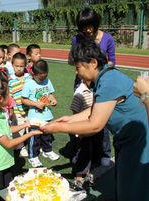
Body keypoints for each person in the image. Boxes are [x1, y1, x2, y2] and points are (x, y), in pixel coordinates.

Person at [41, 41, 149, 201]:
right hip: (128, 141)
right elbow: (97, 109)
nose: (77, 73)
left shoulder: (109, 81)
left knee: (132, 191)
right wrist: (70, 118)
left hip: (137, 144)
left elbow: (95, 125)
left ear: (93, 63)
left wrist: (58, 127)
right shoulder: (106, 75)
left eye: (78, 68)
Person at [0, 69, 42, 200]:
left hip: (5, 162)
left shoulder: (1, 113)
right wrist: (30, 135)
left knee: (8, 192)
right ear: (0, 98)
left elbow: (7, 130)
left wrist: (26, 125)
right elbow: (8, 142)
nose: (11, 97)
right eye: (9, 94)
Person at [68, 7, 116, 166]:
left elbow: (113, 61)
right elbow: (71, 60)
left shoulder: (107, 39)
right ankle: (80, 155)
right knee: (80, 116)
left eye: (90, 26)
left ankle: (103, 154)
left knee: (101, 118)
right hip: (81, 82)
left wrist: (99, 66)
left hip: (101, 81)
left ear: (96, 23)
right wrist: (79, 59)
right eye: (83, 27)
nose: (87, 30)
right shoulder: (77, 38)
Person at [22, 59, 59, 167]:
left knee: (47, 135)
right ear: (34, 74)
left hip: (46, 115)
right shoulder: (29, 83)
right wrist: (35, 104)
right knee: (35, 137)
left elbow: (50, 94)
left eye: (44, 76)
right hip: (34, 116)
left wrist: (53, 100)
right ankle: (33, 156)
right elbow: (23, 99)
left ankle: (48, 150)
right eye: (40, 77)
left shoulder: (47, 80)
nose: (42, 79)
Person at [9, 52, 31, 157]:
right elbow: (10, 96)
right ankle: (20, 146)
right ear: (12, 65)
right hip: (17, 111)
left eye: (21, 66)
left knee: (31, 127)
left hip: (29, 109)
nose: (19, 68)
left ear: (25, 66)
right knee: (19, 130)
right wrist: (11, 109)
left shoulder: (29, 78)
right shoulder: (11, 80)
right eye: (16, 66)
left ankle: (34, 145)